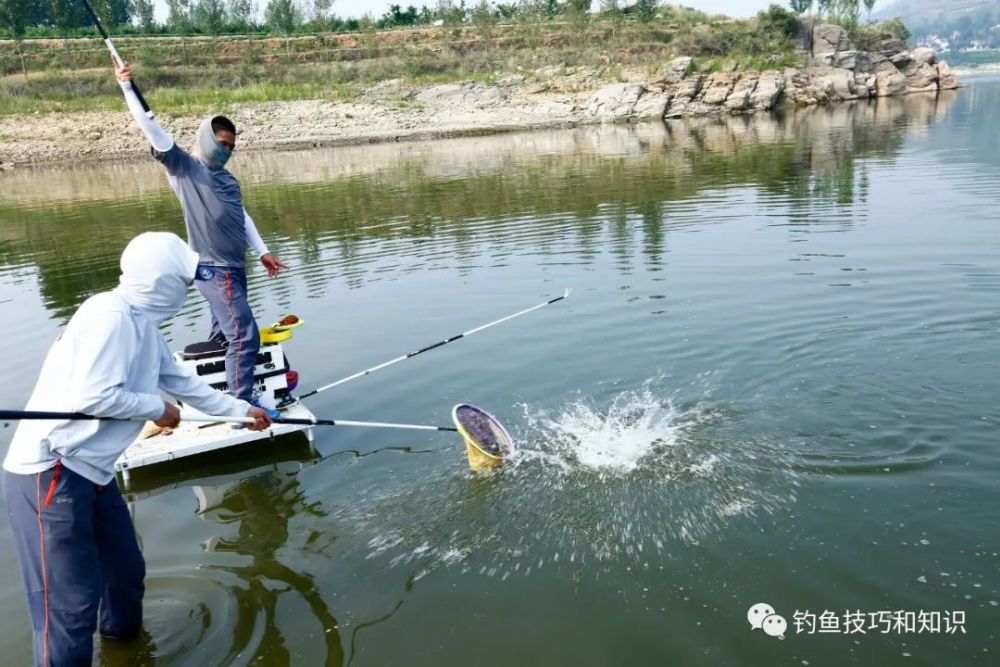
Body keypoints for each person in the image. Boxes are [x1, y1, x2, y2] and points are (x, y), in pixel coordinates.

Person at [2, 232, 273, 667]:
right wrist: (157, 408)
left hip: (92, 470)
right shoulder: (109, 317)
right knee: (69, 606)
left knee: (124, 576)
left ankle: (124, 651)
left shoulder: (141, 324)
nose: (188, 290)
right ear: (161, 280)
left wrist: (242, 411)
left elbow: (183, 384)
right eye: (184, 281)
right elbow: (93, 397)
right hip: (50, 470)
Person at [114, 60, 288, 408]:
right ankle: (244, 406)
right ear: (208, 140)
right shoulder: (185, 168)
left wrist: (262, 251)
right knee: (244, 336)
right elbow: (152, 129)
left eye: (231, 147)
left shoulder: (228, 179)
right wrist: (128, 87)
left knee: (226, 337)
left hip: (236, 267)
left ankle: (215, 392)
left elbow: (241, 216)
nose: (227, 150)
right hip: (213, 269)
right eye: (223, 143)